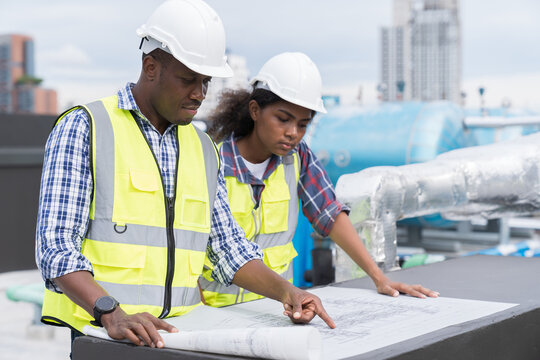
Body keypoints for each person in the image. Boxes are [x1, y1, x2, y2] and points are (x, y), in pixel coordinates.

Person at [35, 0, 335, 354]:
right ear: (150, 67)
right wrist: (110, 312)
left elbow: (228, 250)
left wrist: (289, 292)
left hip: (182, 335)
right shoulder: (85, 127)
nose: (199, 93)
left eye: (205, 81)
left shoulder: (204, 149)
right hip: (104, 336)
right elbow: (55, 246)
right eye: (187, 79)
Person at [201, 52, 440, 307]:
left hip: (275, 309)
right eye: (282, 119)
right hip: (216, 311)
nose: (292, 133)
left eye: (303, 124)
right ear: (255, 110)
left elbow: (330, 213)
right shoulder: (211, 160)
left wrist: (379, 277)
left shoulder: (297, 158)